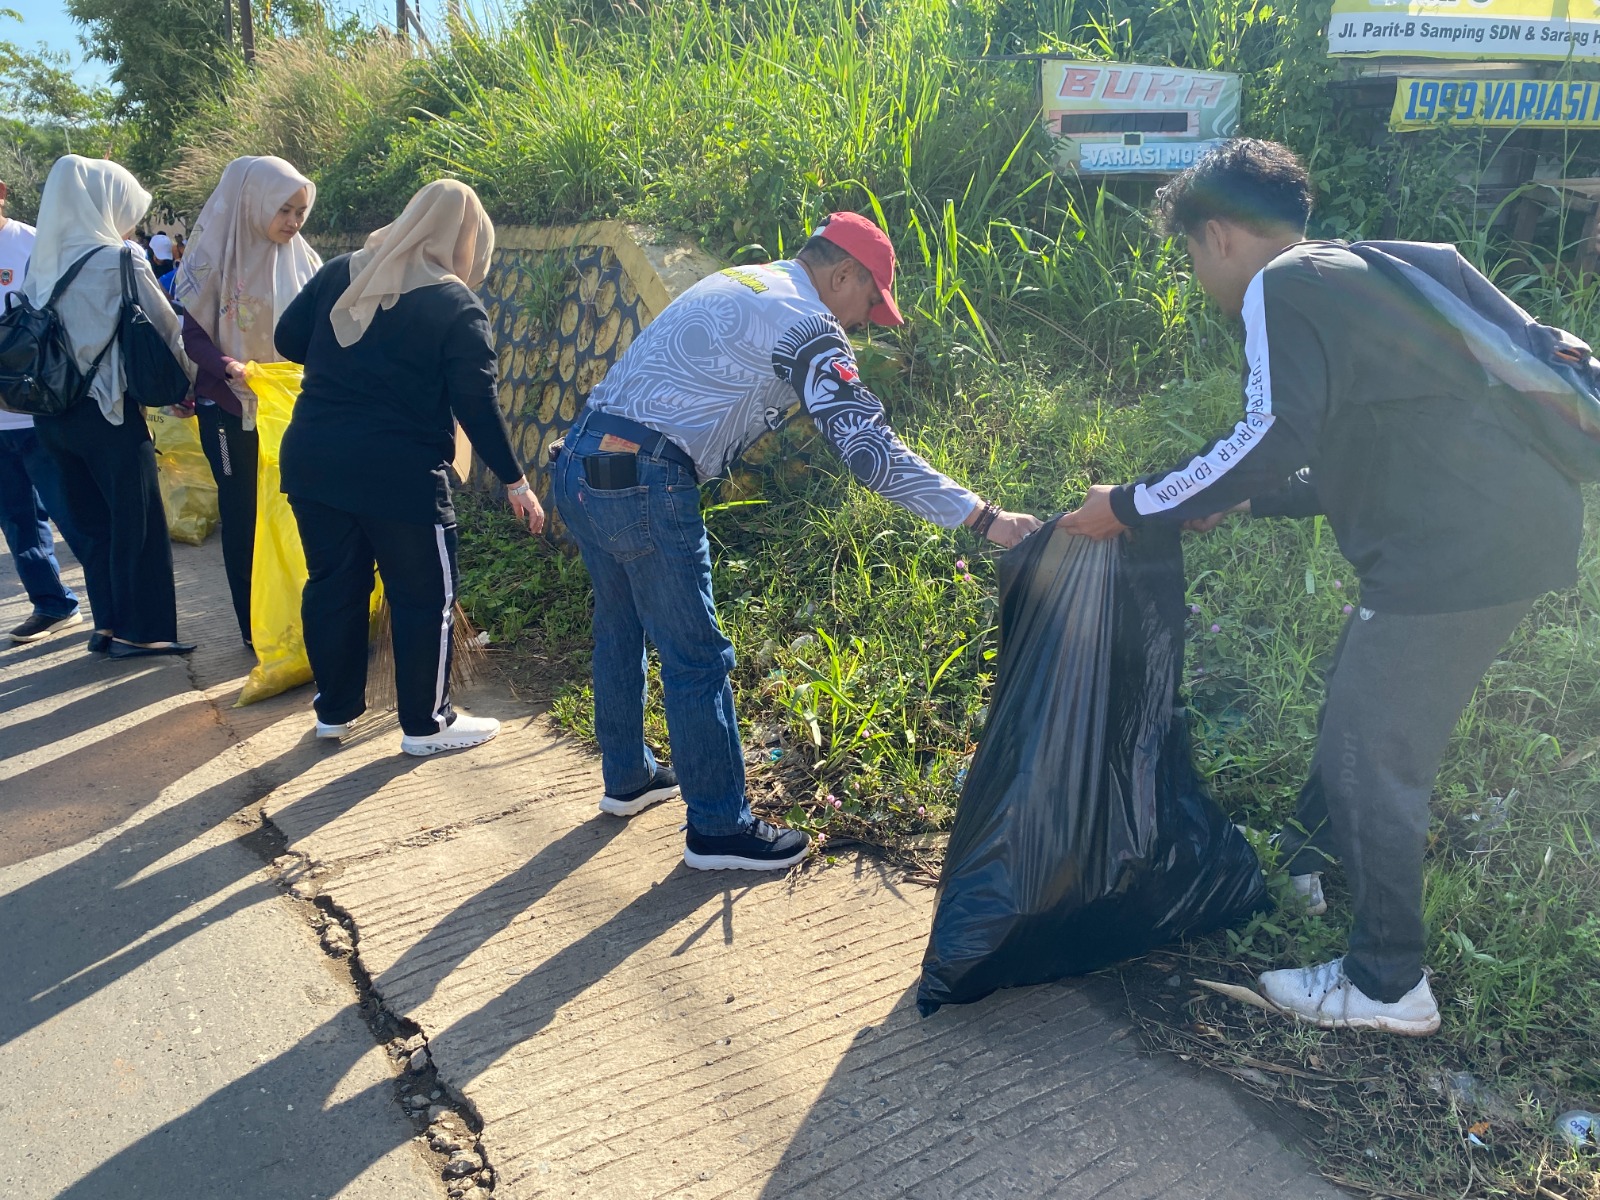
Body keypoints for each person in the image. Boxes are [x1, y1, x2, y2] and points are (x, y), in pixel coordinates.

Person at [1057, 139, 1584, 1036]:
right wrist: (1237, 506)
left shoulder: (1284, 286)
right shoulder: (1365, 270)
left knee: (1370, 749)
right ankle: (1306, 864)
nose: (1199, 277)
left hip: (1455, 552)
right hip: (1509, 527)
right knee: (1359, 696)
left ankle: (1388, 983)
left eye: (1190, 255)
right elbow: (1352, 454)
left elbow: (1270, 434)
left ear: (1217, 234)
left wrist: (1133, 504)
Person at [552, 212, 1043, 872]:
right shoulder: (809, 324)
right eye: (870, 302)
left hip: (580, 460)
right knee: (695, 655)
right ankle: (719, 830)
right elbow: (869, 451)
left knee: (619, 626)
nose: (866, 321)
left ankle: (629, 777)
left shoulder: (743, 279)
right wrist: (985, 518)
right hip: (642, 476)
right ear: (842, 274)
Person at [275, 179, 544, 756]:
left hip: (314, 459)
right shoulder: (454, 302)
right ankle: (427, 724)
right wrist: (516, 481)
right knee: (425, 597)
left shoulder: (343, 272)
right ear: (468, 239)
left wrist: (347, 362)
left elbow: (287, 337)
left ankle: (333, 712)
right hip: (398, 475)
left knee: (333, 585)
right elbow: (477, 403)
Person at [24, 155, 195, 659]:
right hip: (109, 411)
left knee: (92, 524)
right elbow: (166, 331)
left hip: (51, 414)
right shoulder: (121, 258)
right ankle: (144, 631)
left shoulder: (43, 259)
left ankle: (106, 625)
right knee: (136, 522)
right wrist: (183, 388)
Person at [173, 156, 320, 648]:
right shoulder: (212, 255)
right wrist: (228, 367)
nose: (294, 222)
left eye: (301, 211)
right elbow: (191, 335)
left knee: (295, 513)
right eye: (284, 210)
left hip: (292, 411)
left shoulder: (304, 260)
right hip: (230, 408)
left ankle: (299, 623)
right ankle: (256, 633)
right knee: (243, 519)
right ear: (255, 204)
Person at [0, 176, 85, 645]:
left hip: (39, 411)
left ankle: (116, 610)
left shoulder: (30, 244)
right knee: (16, 519)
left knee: (71, 509)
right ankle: (52, 603)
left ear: (1, 191)